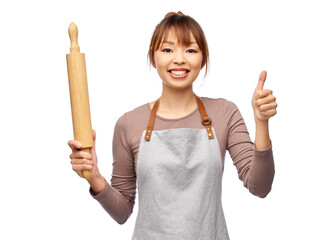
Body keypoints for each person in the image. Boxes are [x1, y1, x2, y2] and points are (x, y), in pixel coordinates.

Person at [68, 11, 277, 240]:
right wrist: (94, 176)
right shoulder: (129, 124)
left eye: (190, 50)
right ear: (153, 57)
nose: (179, 59)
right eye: (167, 49)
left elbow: (260, 186)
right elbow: (122, 212)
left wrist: (261, 122)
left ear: (203, 59)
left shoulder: (224, 113)